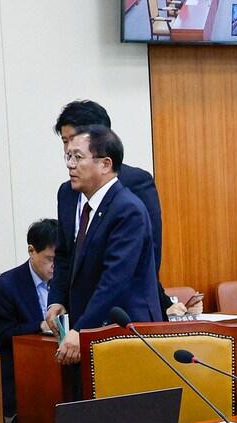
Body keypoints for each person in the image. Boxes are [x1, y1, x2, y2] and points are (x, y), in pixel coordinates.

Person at [51, 101, 188, 316]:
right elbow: (64, 254)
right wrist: (57, 300)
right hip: (81, 314)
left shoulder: (134, 184)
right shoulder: (66, 192)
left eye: (74, 141)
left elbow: (148, 253)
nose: (69, 150)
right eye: (65, 142)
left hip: (125, 312)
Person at [44, 125, 163, 366]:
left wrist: (82, 329)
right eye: (68, 156)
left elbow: (115, 280)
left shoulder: (127, 209)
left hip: (126, 332)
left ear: (105, 164)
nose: (70, 165)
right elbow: (66, 256)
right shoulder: (88, 207)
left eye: (78, 157)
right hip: (96, 330)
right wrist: (56, 299)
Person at [0, 218, 55, 423]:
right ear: (31, 251)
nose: (55, 266)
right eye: (50, 259)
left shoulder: (68, 281)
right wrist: (40, 326)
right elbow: (4, 333)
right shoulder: (6, 285)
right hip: (22, 376)